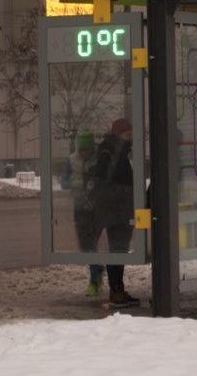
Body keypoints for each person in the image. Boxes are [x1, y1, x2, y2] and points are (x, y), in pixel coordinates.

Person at [86, 118, 140, 308]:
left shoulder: (113, 151)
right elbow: (105, 182)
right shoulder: (111, 153)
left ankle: (117, 290)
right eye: (128, 134)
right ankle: (116, 292)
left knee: (119, 250)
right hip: (116, 209)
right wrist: (127, 194)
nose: (131, 138)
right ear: (119, 134)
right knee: (117, 250)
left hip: (116, 208)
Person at [60, 131, 104, 296]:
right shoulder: (71, 160)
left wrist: (93, 185)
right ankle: (97, 269)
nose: (84, 152)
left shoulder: (99, 159)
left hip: (97, 207)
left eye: (87, 149)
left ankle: (94, 280)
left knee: (92, 244)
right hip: (79, 207)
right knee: (86, 246)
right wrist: (82, 184)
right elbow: (64, 182)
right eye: (82, 149)